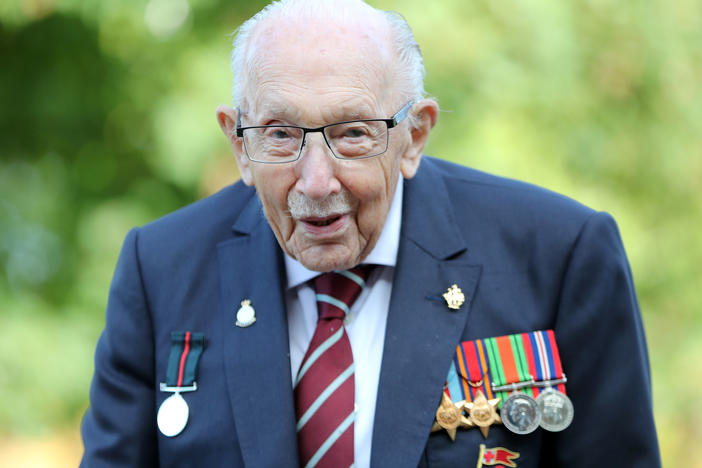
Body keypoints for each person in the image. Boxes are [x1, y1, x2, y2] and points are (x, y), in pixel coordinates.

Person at [80, 0, 661, 467]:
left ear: (414, 136)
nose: (314, 181)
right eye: (280, 134)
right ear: (238, 143)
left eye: (352, 133)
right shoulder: (159, 268)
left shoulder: (560, 253)